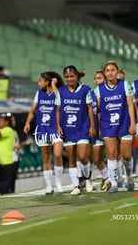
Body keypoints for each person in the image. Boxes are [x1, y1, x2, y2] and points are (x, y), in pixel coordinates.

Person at [94, 60, 136, 193]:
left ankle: (129, 177)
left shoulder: (124, 85)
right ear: (104, 73)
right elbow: (98, 110)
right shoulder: (99, 89)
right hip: (107, 124)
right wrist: (100, 127)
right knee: (111, 153)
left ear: (117, 72)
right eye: (107, 70)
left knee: (127, 155)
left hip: (124, 123)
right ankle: (113, 183)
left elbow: (130, 105)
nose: (110, 73)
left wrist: (132, 123)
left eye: (113, 70)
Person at [56, 65, 96, 195]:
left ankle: (87, 179)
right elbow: (57, 110)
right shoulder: (61, 91)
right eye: (66, 77)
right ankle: (76, 186)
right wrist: (58, 126)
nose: (69, 79)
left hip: (82, 127)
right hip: (68, 129)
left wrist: (92, 126)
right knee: (72, 158)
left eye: (71, 76)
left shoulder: (85, 90)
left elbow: (90, 108)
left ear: (77, 76)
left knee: (83, 156)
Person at [23, 71, 65, 195]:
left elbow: (61, 102)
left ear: (48, 82)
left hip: (55, 129)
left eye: (41, 80)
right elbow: (32, 111)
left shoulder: (58, 92)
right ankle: (49, 185)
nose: (38, 83)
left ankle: (58, 181)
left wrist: (54, 86)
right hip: (42, 129)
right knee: (46, 158)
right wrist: (27, 123)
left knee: (57, 154)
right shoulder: (39, 93)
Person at [90, 70, 110, 191]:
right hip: (96, 130)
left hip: (109, 127)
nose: (97, 80)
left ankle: (116, 179)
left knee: (114, 155)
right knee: (97, 158)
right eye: (95, 78)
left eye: (100, 78)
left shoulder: (107, 92)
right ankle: (106, 177)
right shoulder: (91, 93)